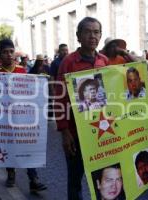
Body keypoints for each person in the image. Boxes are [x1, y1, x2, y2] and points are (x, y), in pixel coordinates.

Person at [55, 17, 108, 200]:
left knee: (103, 176)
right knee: (75, 178)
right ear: (78, 36)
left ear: (100, 35)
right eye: (88, 32)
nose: (92, 36)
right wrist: (64, 132)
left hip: (101, 130)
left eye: (96, 32)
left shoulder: (104, 61)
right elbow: (59, 98)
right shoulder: (68, 63)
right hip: (76, 133)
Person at [0, 38, 47, 193]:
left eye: (11, 51)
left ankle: (33, 179)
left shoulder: (22, 70)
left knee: (26, 146)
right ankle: (10, 173)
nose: (9, 55)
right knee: (8, 146)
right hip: (3, 119)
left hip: (22, 118)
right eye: (5, 52)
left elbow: (30, 91)